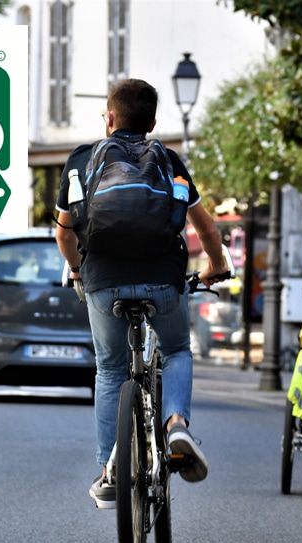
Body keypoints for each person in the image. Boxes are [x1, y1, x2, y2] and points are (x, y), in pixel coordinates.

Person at [55, 78, 228, 509]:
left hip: (103, 278)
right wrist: (217, 266)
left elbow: (64, 234)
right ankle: (175, 425)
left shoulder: (81, 160)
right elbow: (206, 229)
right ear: (152, 122)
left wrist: (77, 269)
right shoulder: (169, 160)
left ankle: (110, 470)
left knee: (111, 369)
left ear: (109, 118)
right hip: (162, 277)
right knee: (176, 350)